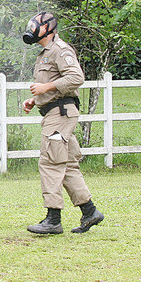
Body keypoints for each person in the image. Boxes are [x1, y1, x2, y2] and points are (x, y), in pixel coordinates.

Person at [21, 12, 104, 235]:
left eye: (35, 25)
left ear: (48, 28)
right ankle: (90, 211)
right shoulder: (45, 53)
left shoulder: (61, 50)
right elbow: (53, 85)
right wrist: (35, 99)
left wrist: (45, 89)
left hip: (61, 113)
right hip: (55, 111)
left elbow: (76, 77)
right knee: (66, 164)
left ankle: (53, 218)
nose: (32, 28)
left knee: (49, 162)